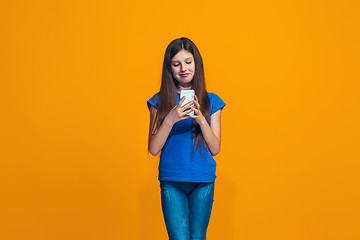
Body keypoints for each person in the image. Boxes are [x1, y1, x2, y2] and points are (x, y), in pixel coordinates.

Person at [147, 37, 226, 240]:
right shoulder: (159, 101)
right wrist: (171, 118)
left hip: (203, 179)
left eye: (188, 62)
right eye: (177, 64)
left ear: (196, 64)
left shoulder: (212, 101)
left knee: (198, 237)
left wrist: (201, 119)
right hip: (171, 180)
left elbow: (215, 148)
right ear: (170, 68)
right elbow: (154, 148)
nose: (183, 68)